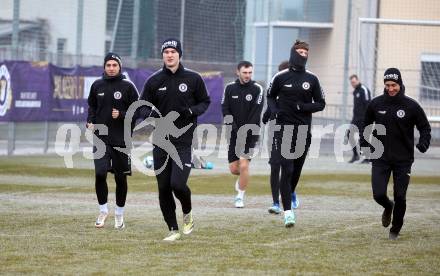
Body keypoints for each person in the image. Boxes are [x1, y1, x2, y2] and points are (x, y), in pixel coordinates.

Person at [138, 38, 210, 241]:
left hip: (183, 142)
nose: (169, 55)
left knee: (178, 185)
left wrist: (190, 111)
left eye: (173, 51)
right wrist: (149, 113)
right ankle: (173, 229)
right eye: (166, 52)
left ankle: (187, 214)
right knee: (163, 188)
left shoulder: (193, 79)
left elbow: (205, 102)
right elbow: (141, 106)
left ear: (179, 54)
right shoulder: (153, 81)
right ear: (162, 55)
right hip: (160, 141)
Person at [361, 68, 431, 240]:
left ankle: (395, 228)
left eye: (394, 85)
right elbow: (365, 125)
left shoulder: (411, 106)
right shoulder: (376, 104)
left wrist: (423, 143)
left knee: (400, 196)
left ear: (400, 84)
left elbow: (425, 127)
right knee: (378, 194)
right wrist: (365, 144)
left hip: (403, 160)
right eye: (387, 85)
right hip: (380, 157)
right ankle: (387, 206)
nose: (391, 88)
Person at [267, 40, 326, 227]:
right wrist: (274, 110)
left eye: (305, 53)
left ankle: (289, 194)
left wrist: (303, 107)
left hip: (303, 131)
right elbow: (270, 95)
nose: (303, 55)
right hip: (284, 129)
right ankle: (288, 212)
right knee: (287, 169)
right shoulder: (280, 76)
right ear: (293, 53)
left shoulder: (312, 79)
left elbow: (321, 103)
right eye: (300, 52)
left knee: (296, 172)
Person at [87, 52, 139, 229]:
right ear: (104, 67)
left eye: (114, 65)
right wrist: (90, 120)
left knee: (120, 178)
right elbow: (92, 106)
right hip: (100, 138)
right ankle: (103, 210)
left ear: (119, 67)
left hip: (121, 140)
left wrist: (122, 114)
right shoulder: (97, 85)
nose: (111, 68)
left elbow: (138, 111)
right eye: (108, 65)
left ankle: (119, 214)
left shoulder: (128, 87)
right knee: (100, 173)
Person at [221, 61, 263, 208]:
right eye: (245, 72)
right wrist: (233, 126)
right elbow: (225, 108)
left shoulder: (258, 89)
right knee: (234, 169)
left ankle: (240, 196)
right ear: (237, 72)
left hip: (250, 133)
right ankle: (243, 179)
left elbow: (256, 113)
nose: (247, 75)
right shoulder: (229, 88)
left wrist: (245, 131)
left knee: (244, 165)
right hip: (233, 133)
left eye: (250, 72)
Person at [263, 60, 300, 214]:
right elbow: (268, 112)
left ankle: (290, 192)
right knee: (275, 165)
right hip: (275, 134)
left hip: (292, 134)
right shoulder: (275, 90)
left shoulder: (298, 92)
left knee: (289, 169)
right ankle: (276, 203)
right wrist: (268, 116)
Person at [347, 74, 371, 163]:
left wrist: (368, 118)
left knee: (363, 137)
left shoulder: (364, 90)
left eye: (353, 82)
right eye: (351, 83)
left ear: (358, 80)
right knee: (349, 134)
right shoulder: (355, 91)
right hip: (355, 118)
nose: (352, 84)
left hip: (363, 118)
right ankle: (355, 155)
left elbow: (368, 104)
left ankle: (367, 157)